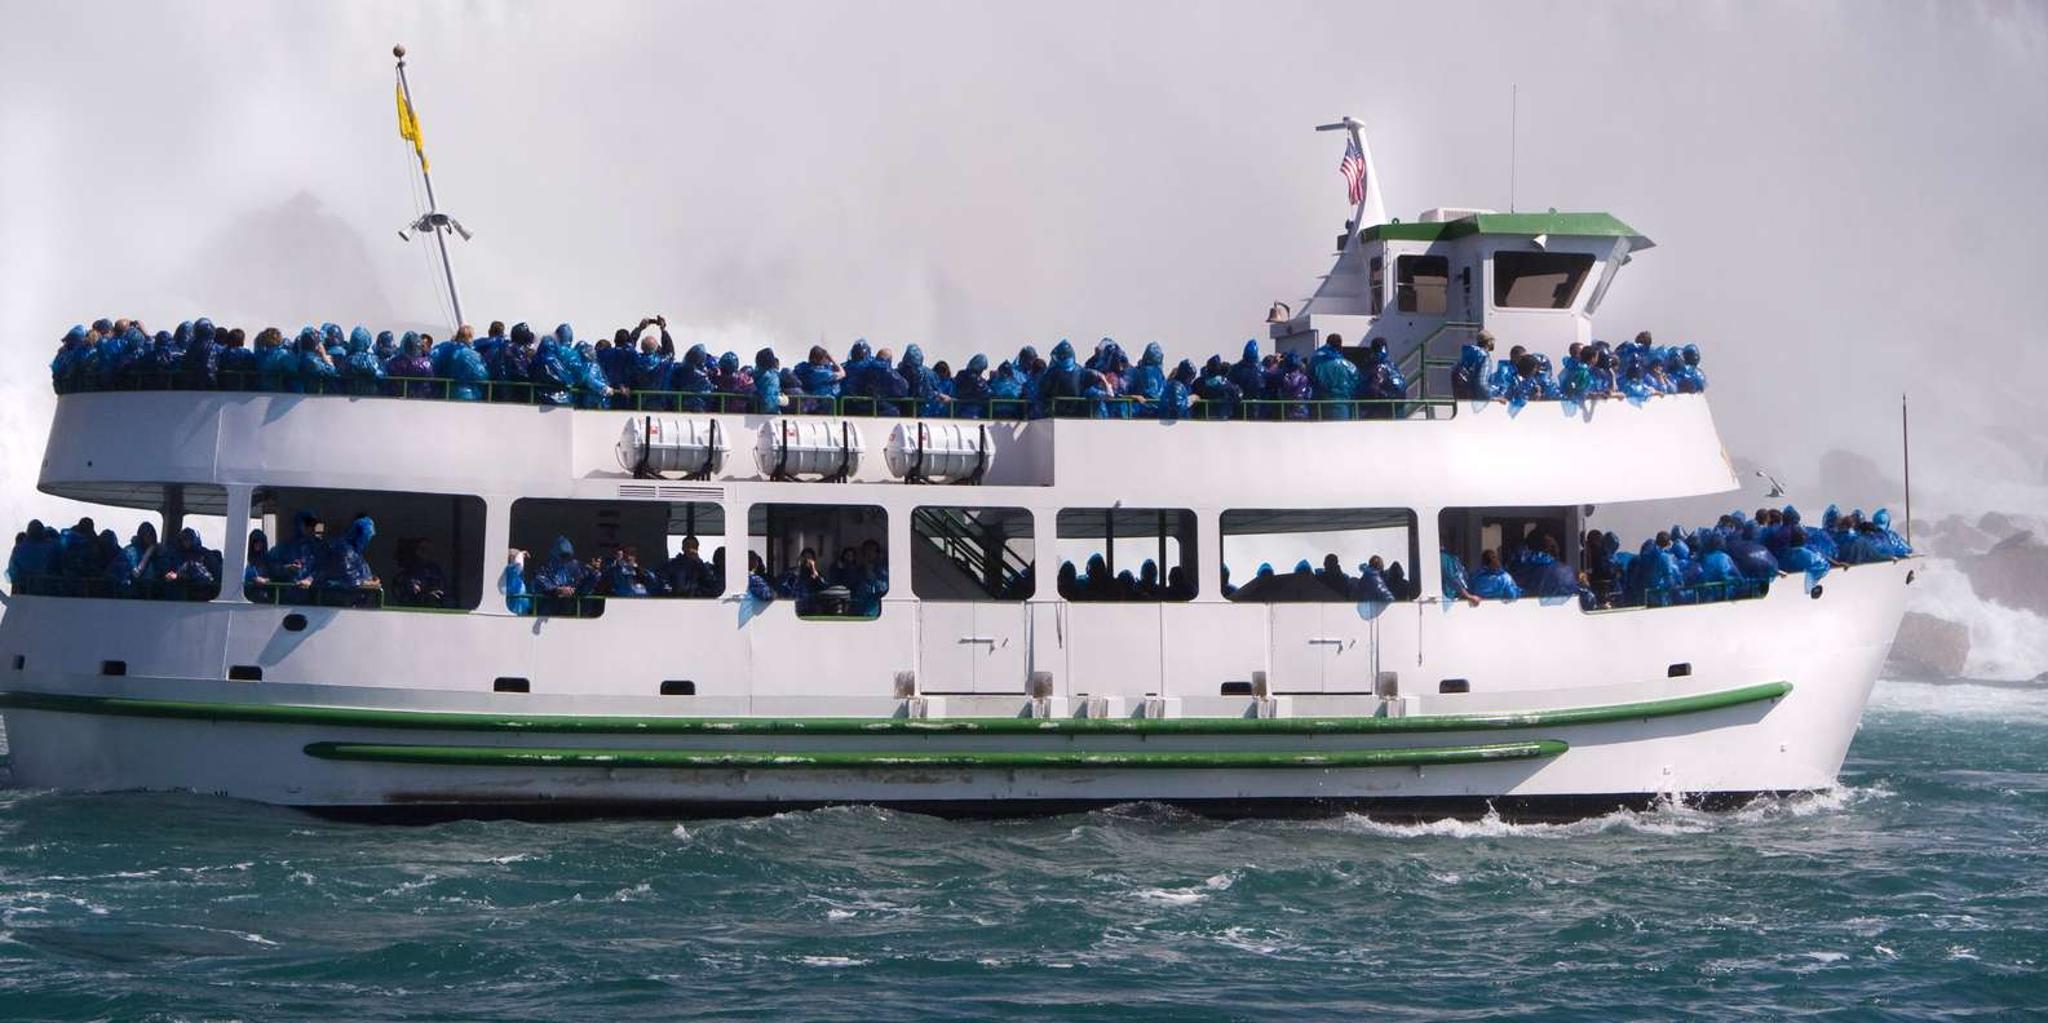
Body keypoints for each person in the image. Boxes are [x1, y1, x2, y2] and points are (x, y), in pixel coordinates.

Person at [315, 516, 380, 602]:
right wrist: (370, 584)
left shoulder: (354, 552)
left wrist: (371, 579)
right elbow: (349, 579)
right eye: (366, 538)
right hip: (339, 602)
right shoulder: (345, 550)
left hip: (349, 602)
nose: (367, 542)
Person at [1309, 334, 1360, 419]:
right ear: (1340, 346)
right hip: (1345, 407)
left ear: (1327, 344)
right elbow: (1357, 385)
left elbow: (1311, 383)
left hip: (1322, 407)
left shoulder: (1318, 365)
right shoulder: (1350, 366)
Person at [391, 538, 449, 607]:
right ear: (415, 551)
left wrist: (436, 594)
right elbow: (405, 594)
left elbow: (443, 589)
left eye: (429, 550)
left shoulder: (435, 569)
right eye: (422, 549)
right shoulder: (405, 573)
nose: (426, 552)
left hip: (436, 611)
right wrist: (424, 595)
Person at [501, 549, 533, 615]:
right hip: (513, 608)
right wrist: (520, 555)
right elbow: (516, 566)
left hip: (521, 608)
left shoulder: (518, 576)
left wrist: (520, 554)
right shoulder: (510, 571)